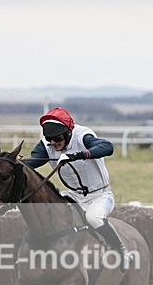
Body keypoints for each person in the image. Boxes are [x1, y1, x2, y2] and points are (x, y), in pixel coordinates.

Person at [24, 107, 132, 269]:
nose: (53, 143)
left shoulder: (82, 135)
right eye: (49, 139)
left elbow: (107, 147)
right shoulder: (48, 144)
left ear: (68, 132)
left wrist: (78, 155)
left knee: (93, 218)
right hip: (73, 195)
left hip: (100, 196)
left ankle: (122, 250)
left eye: (57, 138)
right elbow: (30, 163)